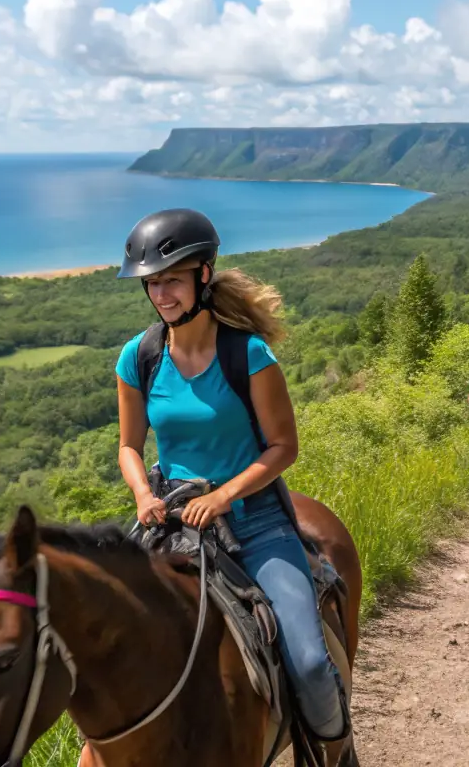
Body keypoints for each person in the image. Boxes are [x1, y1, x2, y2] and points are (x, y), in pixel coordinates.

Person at [112, 208, 350, 746]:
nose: (161, 294)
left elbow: (284, 448)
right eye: (152, 283)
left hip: (256, 521)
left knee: (310, 664)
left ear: (203, 274)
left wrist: (224, 495)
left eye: (171, 279)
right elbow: (129, 445)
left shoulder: (248, 354)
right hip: (171, 517)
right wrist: (143, 492)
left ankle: (336, 749)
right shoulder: (140, 357)